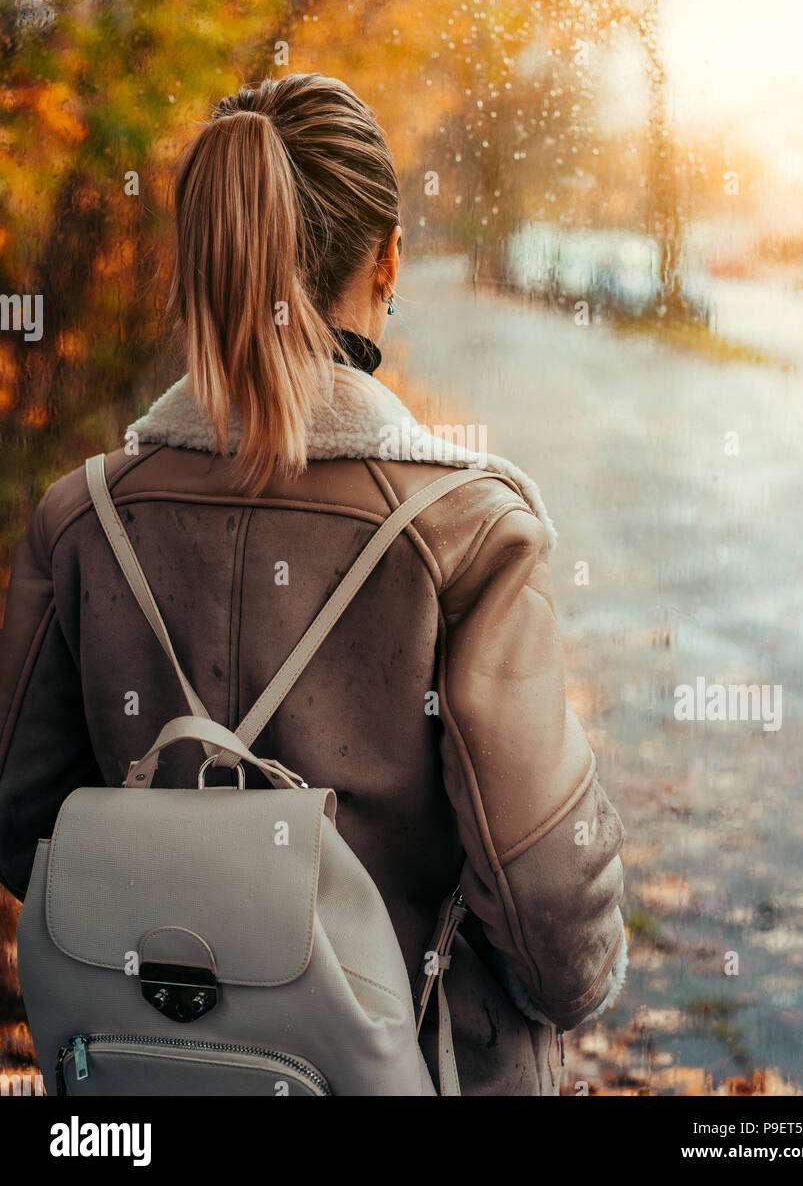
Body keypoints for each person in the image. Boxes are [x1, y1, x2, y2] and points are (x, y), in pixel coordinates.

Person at [0, 72, 627, 1095]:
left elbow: (22, 819)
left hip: (153, 1076)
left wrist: (199, 965)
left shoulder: (81, 519)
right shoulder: (469, 535)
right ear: (386, 257)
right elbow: (545, 892)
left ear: (208, 261)